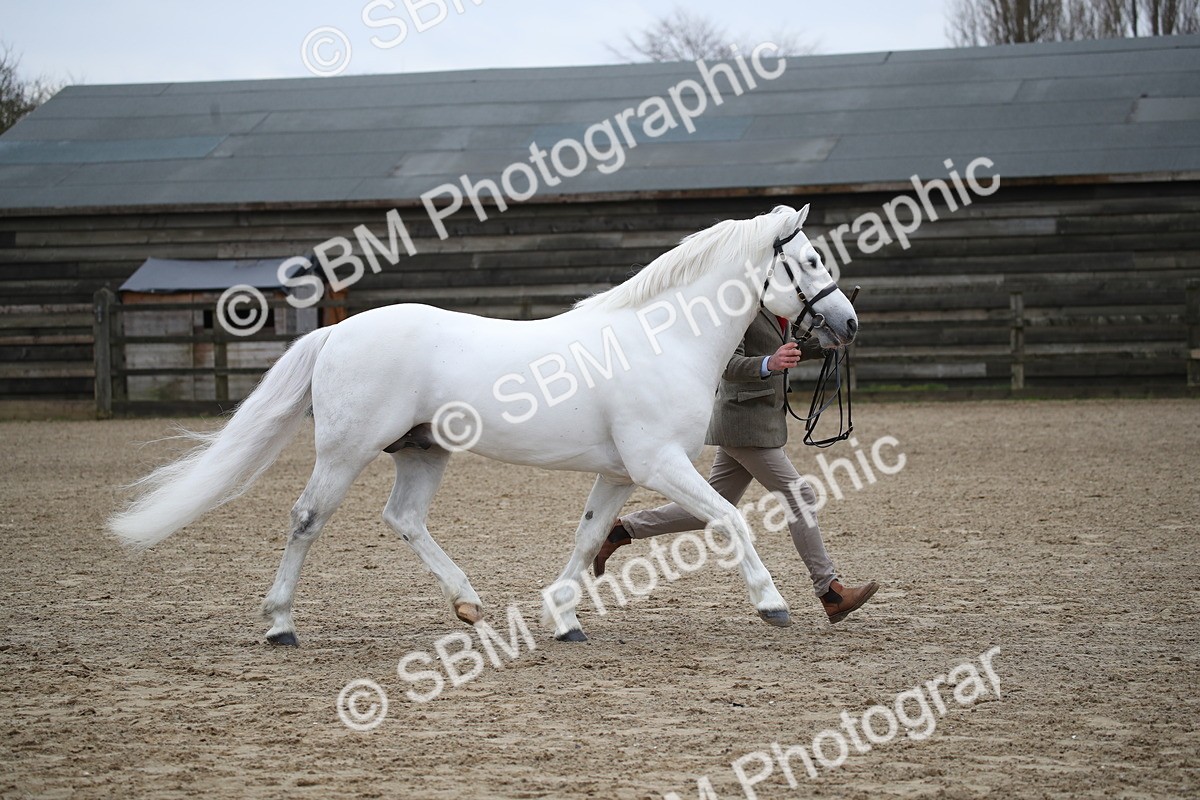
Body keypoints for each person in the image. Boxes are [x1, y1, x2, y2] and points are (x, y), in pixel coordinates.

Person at [594, 308, 879, 623]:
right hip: (745, 423)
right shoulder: (741, 310)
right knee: (800, 496)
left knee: (711, 506)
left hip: (758, 421)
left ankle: (620, 530)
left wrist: (825, 344)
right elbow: (727, 365)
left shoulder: (777, 309)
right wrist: (768, 363)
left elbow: (789, 351)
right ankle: (830, 592)